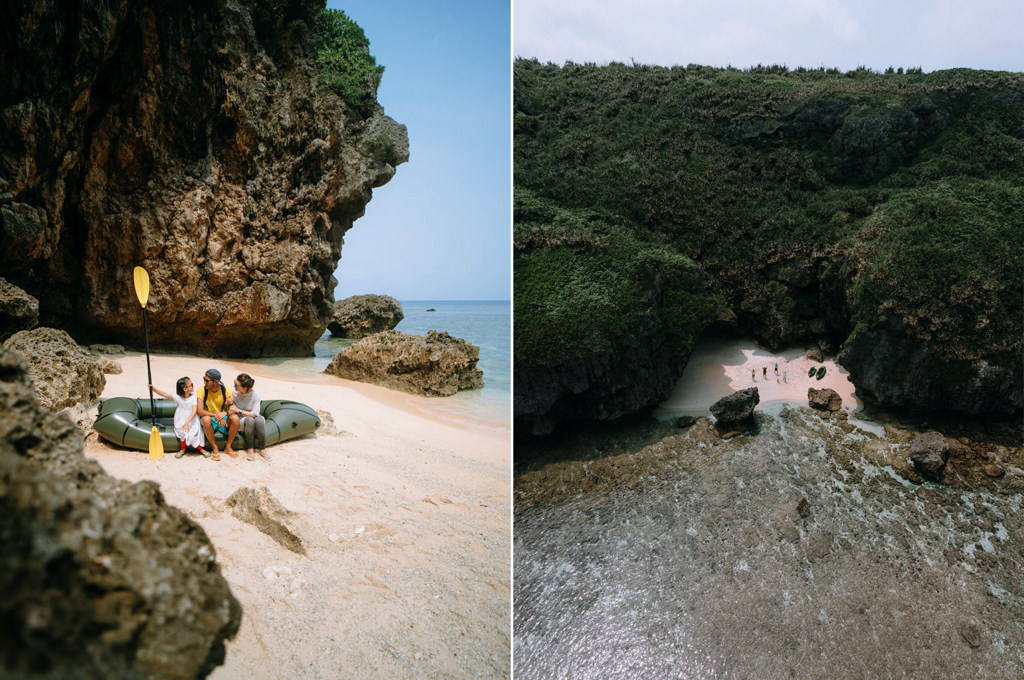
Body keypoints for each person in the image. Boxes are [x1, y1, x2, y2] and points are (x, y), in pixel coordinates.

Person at [149, 377, 205, 458]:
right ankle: (183, 449)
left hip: (191, 419)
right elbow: (165, 394)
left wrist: (187, 423)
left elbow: (194, 411)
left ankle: (200, 449)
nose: (193, 386)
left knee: (194, 433)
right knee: (182, 433)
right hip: (181, 418)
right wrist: (154, 389)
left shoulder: (194, 397)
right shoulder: (177, 397)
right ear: (185, 389)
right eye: (191, 384)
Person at [196, 368, 239, 461]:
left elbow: (234, 409)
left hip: (223, 417)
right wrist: (217, 415)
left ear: (215, 382)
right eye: (204, 379)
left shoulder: (226, 390)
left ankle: (228, 447)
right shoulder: (202, 390)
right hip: (210, 418)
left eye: (207, 380)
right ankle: (214, 447)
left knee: (235, 418)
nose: (204, 382)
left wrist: (224, 413)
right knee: (205, 419)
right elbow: (199, 411)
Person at [231, 373, 268, 462]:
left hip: (253, 418)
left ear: (244, 388)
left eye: (236, 385)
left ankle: (262, 449)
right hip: (241, 420)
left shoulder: (255, 394)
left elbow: (256, 414)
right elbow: (231, 409)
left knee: (259, 419)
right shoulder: (234, 393)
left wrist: (239, 410)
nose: (234, 386)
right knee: (250, 420)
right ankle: (250, 448)